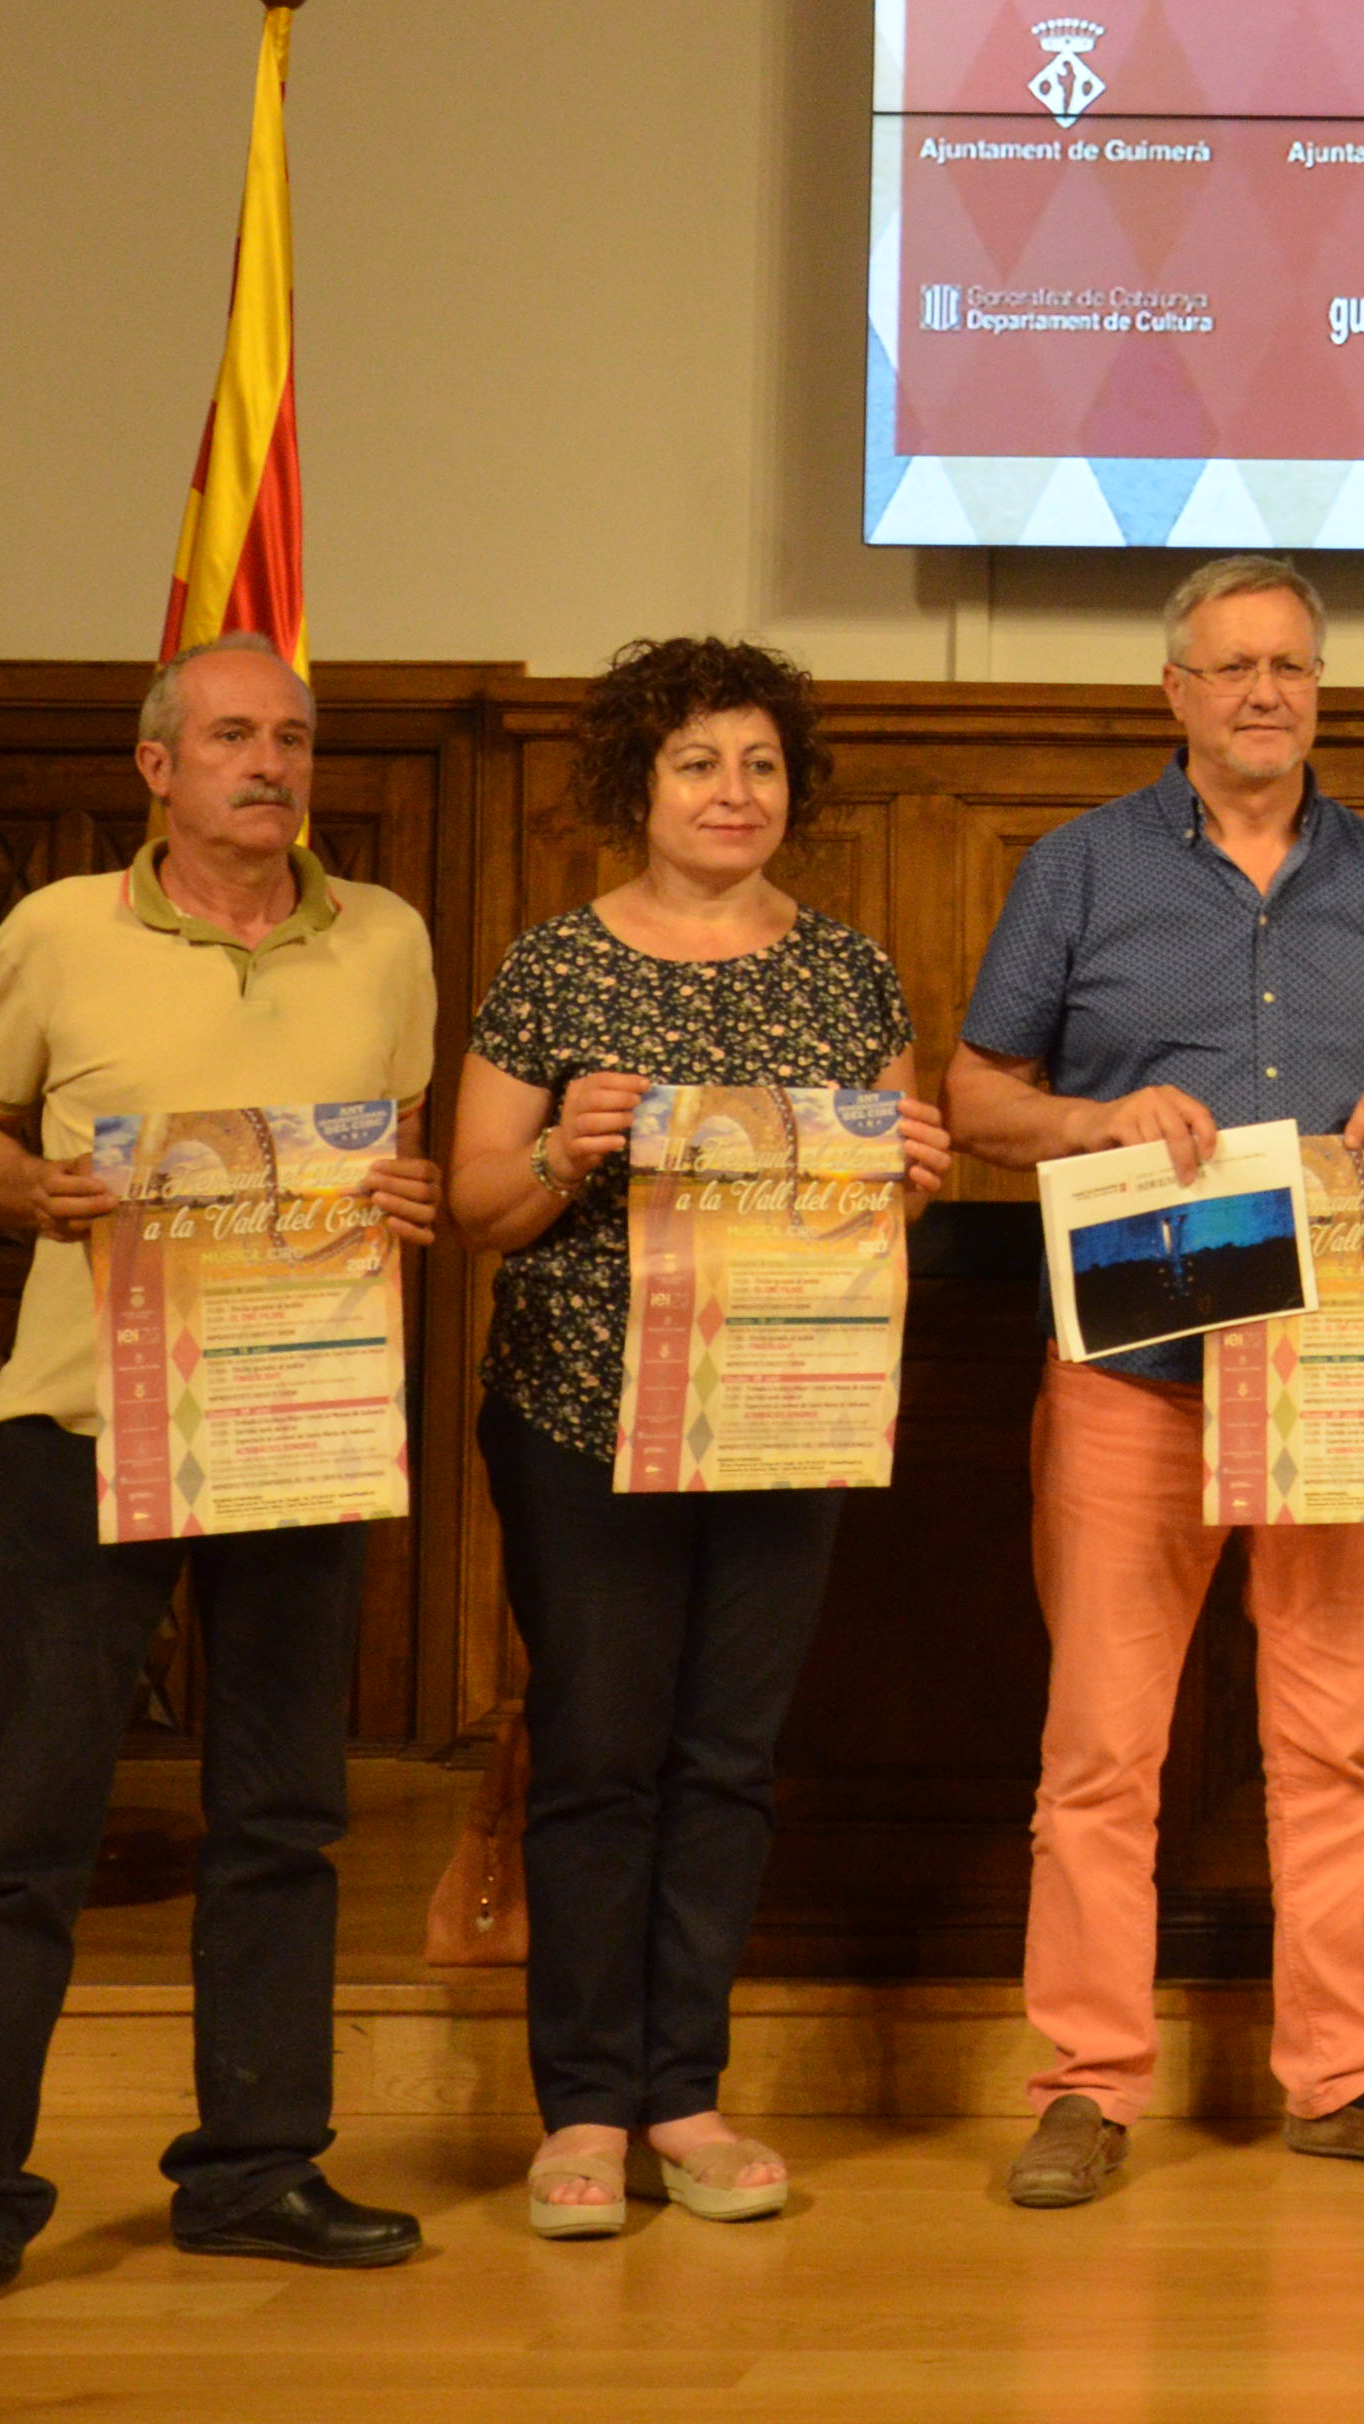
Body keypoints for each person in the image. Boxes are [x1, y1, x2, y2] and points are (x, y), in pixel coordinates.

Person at [0, 635, 445, 2336]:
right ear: (158, 767)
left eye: (296, 738)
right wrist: (22, 1190)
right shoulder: (56, 929)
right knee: (28, 1821)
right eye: (235, 735)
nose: (272, 762)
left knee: (286, 1813)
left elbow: (391, 1146)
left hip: (298, 1422)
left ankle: (257, 2168)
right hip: (85, 1421)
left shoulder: (388, 935)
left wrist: (399, 1198)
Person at [944, 554, 1364, 2206]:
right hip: (1134, 1362)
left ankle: (1343, 2079)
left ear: (1320, 689)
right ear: (1173, 690)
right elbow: (972, 1096)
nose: (1265, 692)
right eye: (1233, 666)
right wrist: (1092, 1121)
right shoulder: (1079, 870)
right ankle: (1088, 2089)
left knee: (1337, 1745)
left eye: (1292, 667)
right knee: (1104, 1747)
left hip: (1337, 1371)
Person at [443, 638, 954, 2238]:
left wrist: (911, 1172)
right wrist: (563, 1153)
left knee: (728, 1762)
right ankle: (582, 2111)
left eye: (759, 765)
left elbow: (881, 1208)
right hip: (579, 1419)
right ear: (636, 787)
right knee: (598, 1752)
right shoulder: (553, 968)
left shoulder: (851, 974)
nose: (734, 794)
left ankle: (687, 2096)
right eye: (696, 764)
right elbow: (474, 1212)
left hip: (780, 1419)